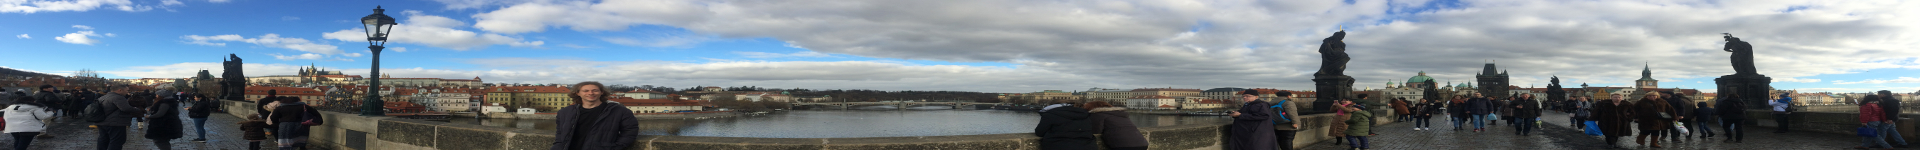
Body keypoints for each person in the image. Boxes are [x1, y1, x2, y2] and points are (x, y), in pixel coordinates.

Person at [552, 81, 641, 150]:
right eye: (586, 91)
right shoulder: (565, 112)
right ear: (578, 93)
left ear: (601, 92)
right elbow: (560, 134)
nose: (591, 93)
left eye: (595, 90)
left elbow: (630, 132)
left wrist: (614, 148)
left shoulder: (620, 111)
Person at [96, 85, 146, 150]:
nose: (128, 92)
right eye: (127, 90)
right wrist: (137, 109)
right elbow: (126, 108)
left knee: (103, 140)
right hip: (115, 123)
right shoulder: (118, 97)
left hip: (102, 122)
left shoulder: (103, 97)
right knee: (117, 141)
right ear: (120, 90)